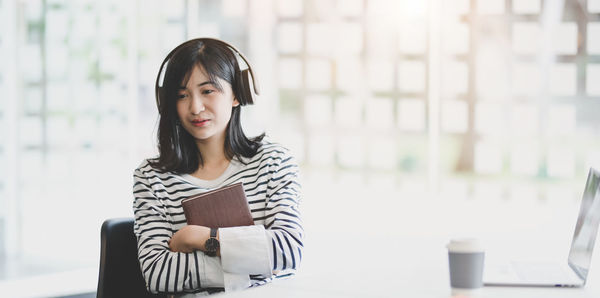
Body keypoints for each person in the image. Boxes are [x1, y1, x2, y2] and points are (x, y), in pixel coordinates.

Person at [132, 38, 303, 297]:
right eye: (181, 95)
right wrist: (255, 260)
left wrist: (197, 237)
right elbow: (158, 273)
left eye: (208, 91)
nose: (195, 107)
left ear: (236, 93)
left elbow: (287, 251)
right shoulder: (152, 178)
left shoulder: (274, 162)